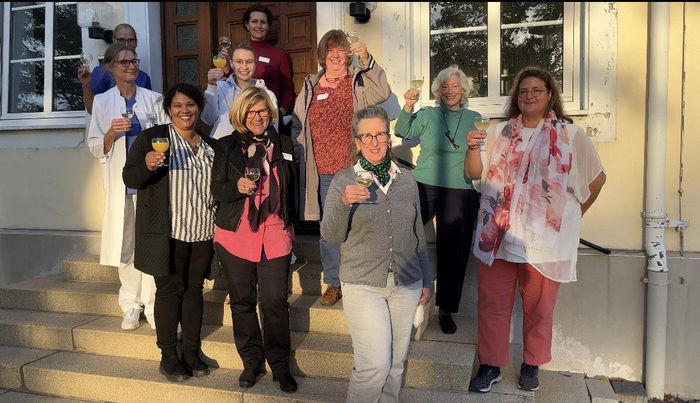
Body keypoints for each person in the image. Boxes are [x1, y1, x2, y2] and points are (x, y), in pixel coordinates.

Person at [464, 67, 606, 393]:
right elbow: (474, 175)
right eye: (523, 90)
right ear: (517, 97)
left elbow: (596, 181)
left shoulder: (570, 135)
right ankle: (491, 365)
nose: (529, 95)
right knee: (492, 304)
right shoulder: (499, 131)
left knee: (539, 308)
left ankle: (531, 364)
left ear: (549, 94)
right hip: (499, 236)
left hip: (544, 244)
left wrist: (573, 216)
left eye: (536, 90)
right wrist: (472, 148)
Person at [320, 106, 432, 402]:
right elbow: (330, 235)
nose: (374, 141)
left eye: (380, 134)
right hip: (362, 284)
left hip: (406, 282)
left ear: (388, 136)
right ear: (357, 141)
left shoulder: (407, 178)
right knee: (373, 366)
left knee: (395, 366)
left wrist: (426, 280)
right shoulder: (344, 181)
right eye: (367, 136)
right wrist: (344, 203)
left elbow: (417, 233)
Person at [123, 83, 216, 382]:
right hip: (168, 233)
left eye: (190, 104)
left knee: (194, 291)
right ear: (168, 110)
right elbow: (130, 176)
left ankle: (191, 350)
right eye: (177, 105)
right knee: (168, 291)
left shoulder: (210, 145)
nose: (184, 110)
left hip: (202, 230)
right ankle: (168, 355)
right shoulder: (154, 139)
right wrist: (148, 165)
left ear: (199, 108)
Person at [292, 29, 391, 306]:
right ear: (323, 56)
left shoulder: (357, 80)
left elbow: (383, 92)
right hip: (323, 170)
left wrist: (367, 59)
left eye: (340, 50)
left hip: (353, 167)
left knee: (360, 223)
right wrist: (300, 153)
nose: (335, 55)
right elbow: (298, 124)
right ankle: (334, 282)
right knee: (331, 227)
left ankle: (361, 277)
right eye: (330, 50)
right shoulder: (311, 85)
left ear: (346, 53)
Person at [211, 87, 299, 393]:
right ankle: (251, 361)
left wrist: (294, 223)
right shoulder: (226, 146)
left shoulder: (285, 144)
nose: (258, 117)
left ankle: (280, 365)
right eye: (251, 112)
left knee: (275, 300)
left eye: (262, 111)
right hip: (236, 235)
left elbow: (293, 189)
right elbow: (217, 191)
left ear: (270, 113)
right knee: (243, 301)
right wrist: (236, 187)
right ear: (240, 115)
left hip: (275, 232)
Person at [394, 65, 481, 334]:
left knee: (453, 251)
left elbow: (480, 152)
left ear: (464, 90)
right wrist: (408, 105)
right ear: (437, 91)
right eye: (444, 87)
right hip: (425, 182)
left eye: (455, 86)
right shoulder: (429, 114)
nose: (450, 91)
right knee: (405, 234)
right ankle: (405, 295)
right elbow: (402, 132)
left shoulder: (475, 117)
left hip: (460, 188)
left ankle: (446, 310)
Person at [87, 43, 168, 331]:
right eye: (124, 62)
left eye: (134, 61)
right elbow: (95, 146)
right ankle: (131, 305)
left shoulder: (154, 99)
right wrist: (110, 133)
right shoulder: (102, 102)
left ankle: (153, 303)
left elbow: (167, 139)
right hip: (121, 185)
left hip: (150, 185)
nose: (131, 66)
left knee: (151, 245)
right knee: (126, 247)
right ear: (111, 67)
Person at [203, 42, 279, 139]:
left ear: (255, 64)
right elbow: (208, 119)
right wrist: (211, 86)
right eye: (239, 61)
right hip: (222, 148)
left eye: (249, 62)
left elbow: (273, 130)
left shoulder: (268, 95)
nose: (244, 67)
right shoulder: (220, 88)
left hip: (254, 150)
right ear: (231, 63)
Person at [78, 23, 152, 114]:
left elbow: (149, 111)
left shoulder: (144, 78)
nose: (126, 44)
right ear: (113, 41)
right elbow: (93, 110)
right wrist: (86, 86)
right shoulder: (101, 72)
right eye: (121, 40)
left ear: (136, 43)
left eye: (131, 40)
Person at [241, 4, 295, 118]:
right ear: (247, 25)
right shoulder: (238, 53)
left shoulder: (279, 54)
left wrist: (280, 111)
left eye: (263, 22)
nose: (259, 26)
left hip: (269, 114)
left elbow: (287, 89)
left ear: (268, 26)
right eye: (254, 21)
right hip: (242, 114)